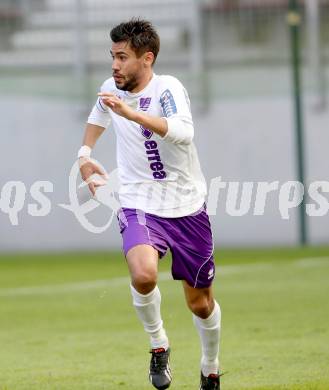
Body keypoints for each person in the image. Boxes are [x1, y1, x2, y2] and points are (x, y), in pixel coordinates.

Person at [78, 18, 221, 390]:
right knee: (143, 275)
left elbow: (184, 133)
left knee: (201, 305)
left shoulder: (168, 88)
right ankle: (159, 344)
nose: (114, 65)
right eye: (112, 56)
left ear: (147, 58)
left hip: (187, 206)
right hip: (138, 200)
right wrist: (84, 156)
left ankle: (210, 365)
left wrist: (132, 114)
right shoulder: (111, 88)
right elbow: (98, 117)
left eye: (122, 57)